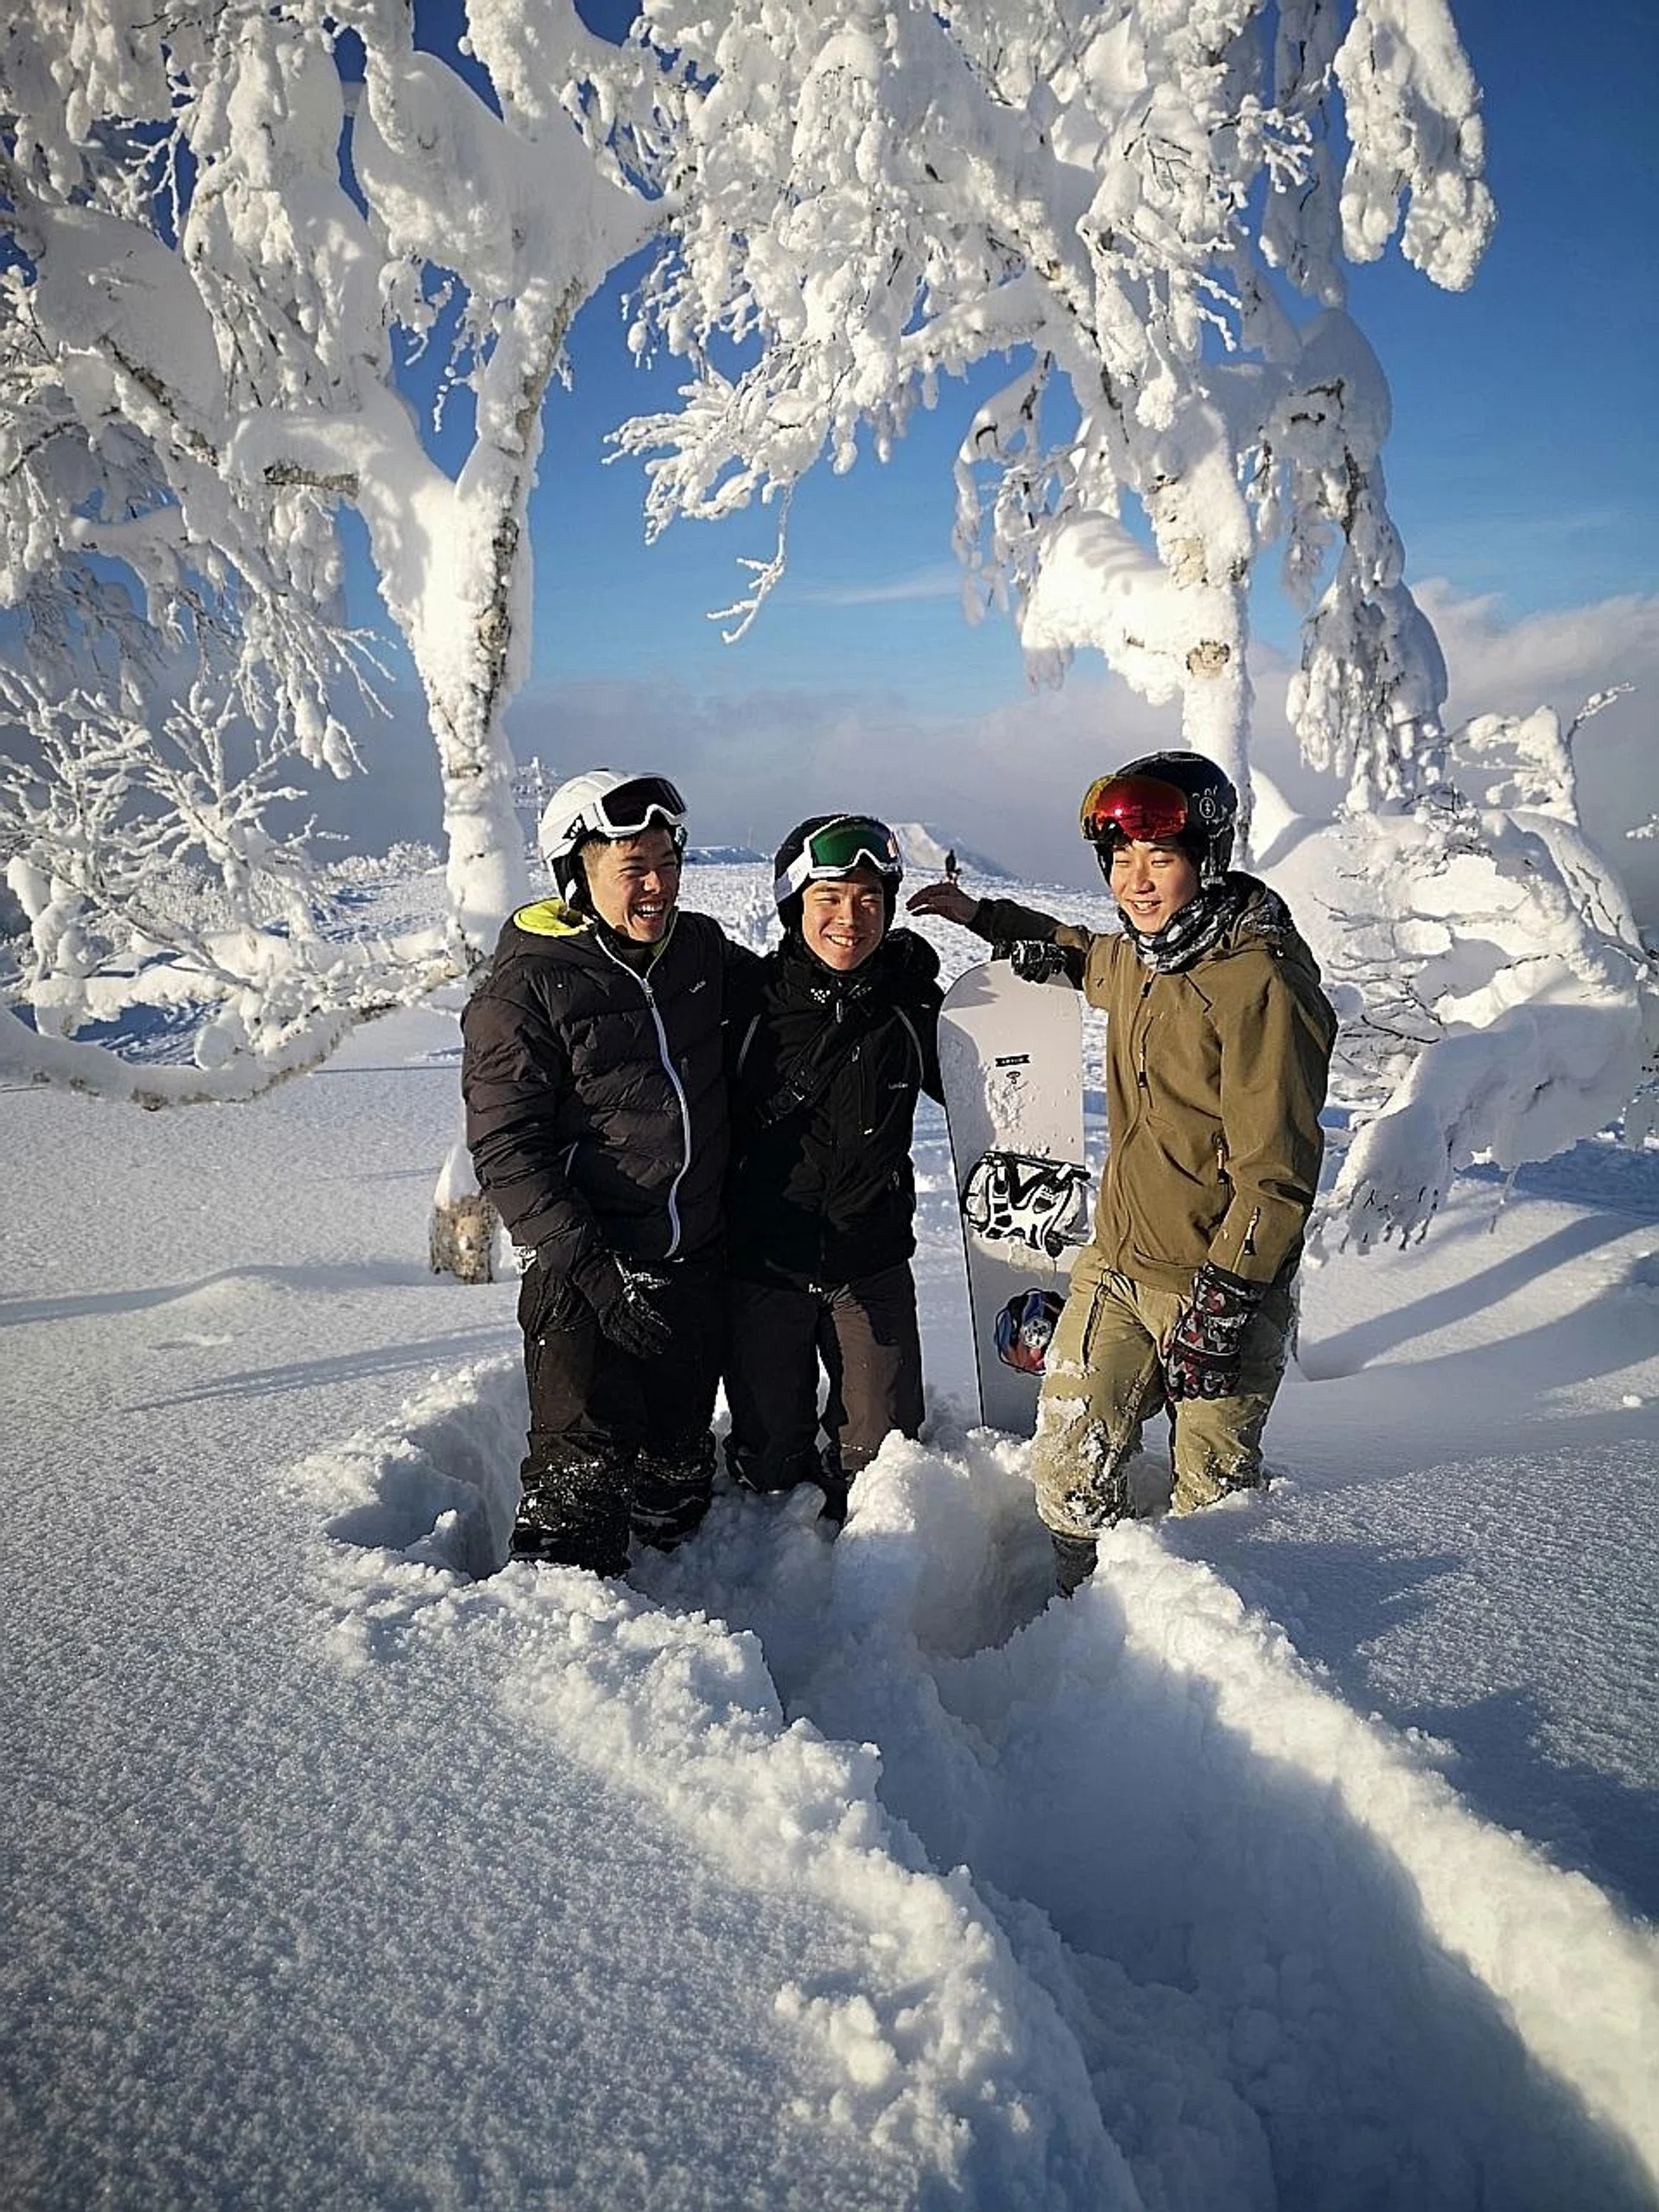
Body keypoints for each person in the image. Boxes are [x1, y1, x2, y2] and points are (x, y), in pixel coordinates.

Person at [909, 751, 1336, 1592]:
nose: (1136, 881)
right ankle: (1084, 1613)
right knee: (1068, 1467)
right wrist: (984, 917)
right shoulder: (1148, 954)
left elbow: (1277, 1174)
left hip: (1220, 1285)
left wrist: (1228, 1298)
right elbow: (1081, 951)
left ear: (1206, 860)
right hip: (1119, 1265)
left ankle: (1185, 1671)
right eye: (1121, 860)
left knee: (1213, 1514)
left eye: (1160, 859)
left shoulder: (1260, 982)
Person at [461, 770, 735, 1576]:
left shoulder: (699, 951)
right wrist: (592, 1268)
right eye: (633, 869)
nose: (658, 886)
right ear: (575, 875)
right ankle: (571, 1659)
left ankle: (681, 1576)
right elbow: (508, 1150)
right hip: (585, 1276)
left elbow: (792, 1001)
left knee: (677, 1480)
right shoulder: (523, 992)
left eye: (667, 861)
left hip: (692, 1262)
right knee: (575, 1501)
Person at [722, 814, 944, 1522]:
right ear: (795, 907)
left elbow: (991, 1075)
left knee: (882, 1463)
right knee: (769, 1466)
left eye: (870, 899)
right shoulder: (745, 1005)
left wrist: (1012, 972)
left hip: (868, 1259)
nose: (852, 918)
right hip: (765, 1264)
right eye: (830, 900)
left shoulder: (909, 1009)